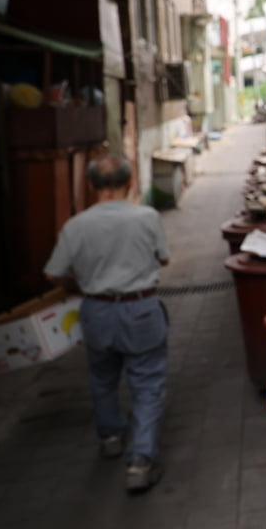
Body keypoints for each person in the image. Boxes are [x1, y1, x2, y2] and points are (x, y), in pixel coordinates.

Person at [44, 152, 170, 493]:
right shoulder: (147, 217)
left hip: (97, 310)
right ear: (130, 183)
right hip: (141, 308)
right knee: (147, 383)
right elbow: (164, 257)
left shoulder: (75, 226)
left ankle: (111, 437)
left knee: (102, 377)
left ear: (90, 185)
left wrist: (82, 284)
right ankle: (140, 461)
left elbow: (54, 273)